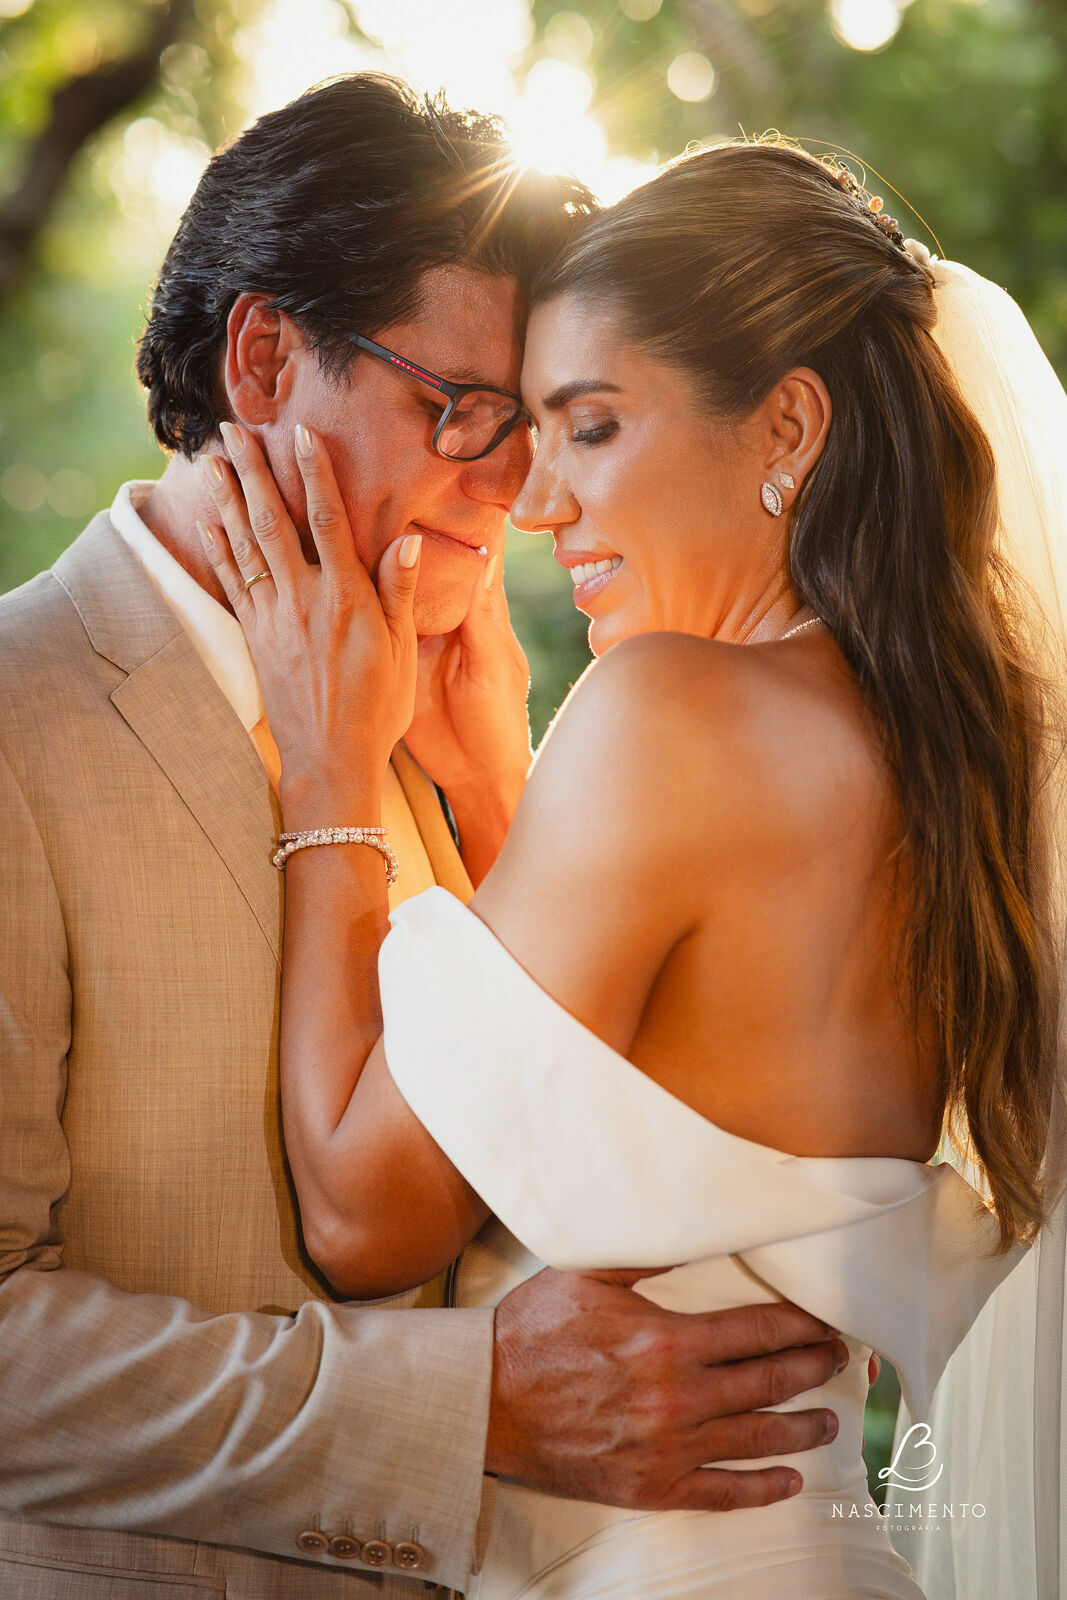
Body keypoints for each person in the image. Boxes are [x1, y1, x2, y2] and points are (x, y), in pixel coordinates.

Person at [0, 82, 851, 1600]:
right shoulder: (19, 716)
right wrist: (467, 1404)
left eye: (527, 427)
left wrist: (489, 794)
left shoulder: (446, 722)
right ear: (264, 358)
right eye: (458, 408)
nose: (514, 489)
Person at [198, 137, 1067, 1598]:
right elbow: (676, 1060)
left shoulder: (673, 711)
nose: (534, 503)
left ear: (787, 426)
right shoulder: (946, 746)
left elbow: (361, 1210)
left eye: (589, 427)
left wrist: (333, 768)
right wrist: (498, 791)